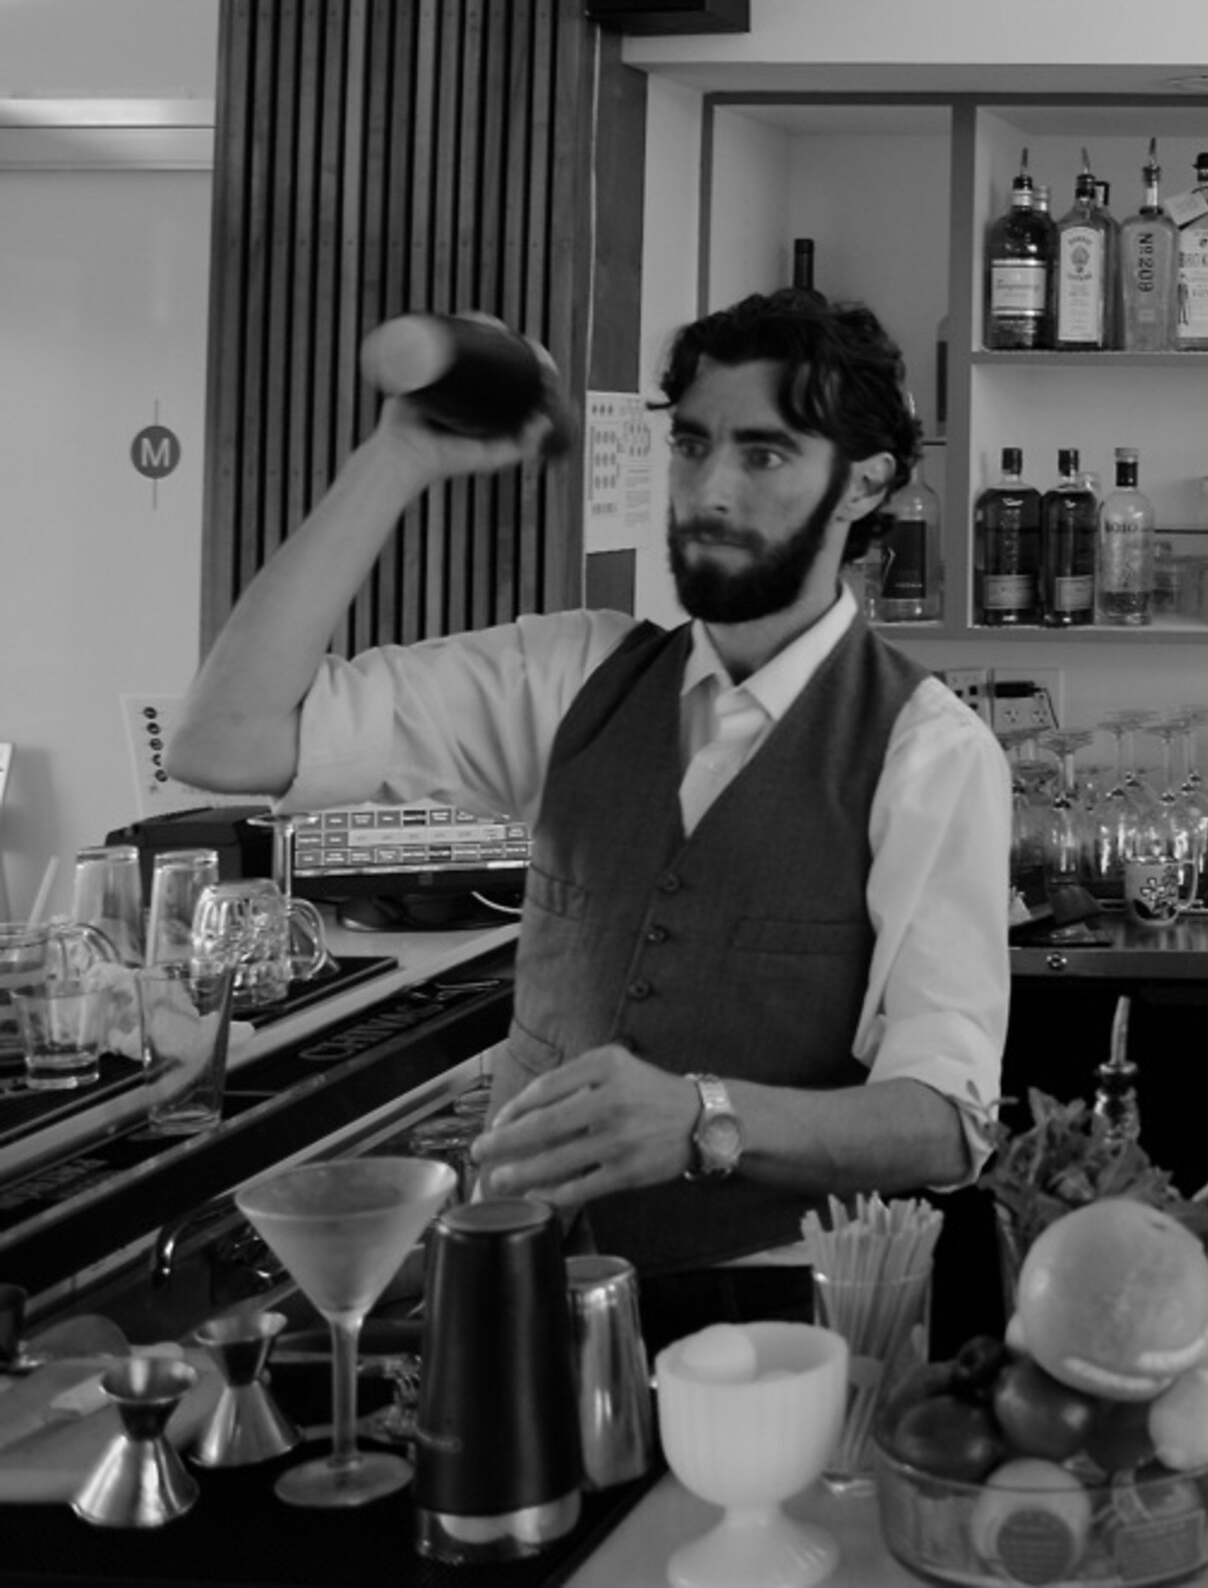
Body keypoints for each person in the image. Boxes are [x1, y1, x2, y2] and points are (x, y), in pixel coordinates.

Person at [172, 291, 1012, 1274]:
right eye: (692, 445)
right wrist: (396, 458)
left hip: (774, 1316)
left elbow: (946, 1122)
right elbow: (223, 742)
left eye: (765, 455)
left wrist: (706, 1117)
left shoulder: (928, 751)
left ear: (864, 485)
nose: (710, 492)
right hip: (519, 1284)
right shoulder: (575, 675)